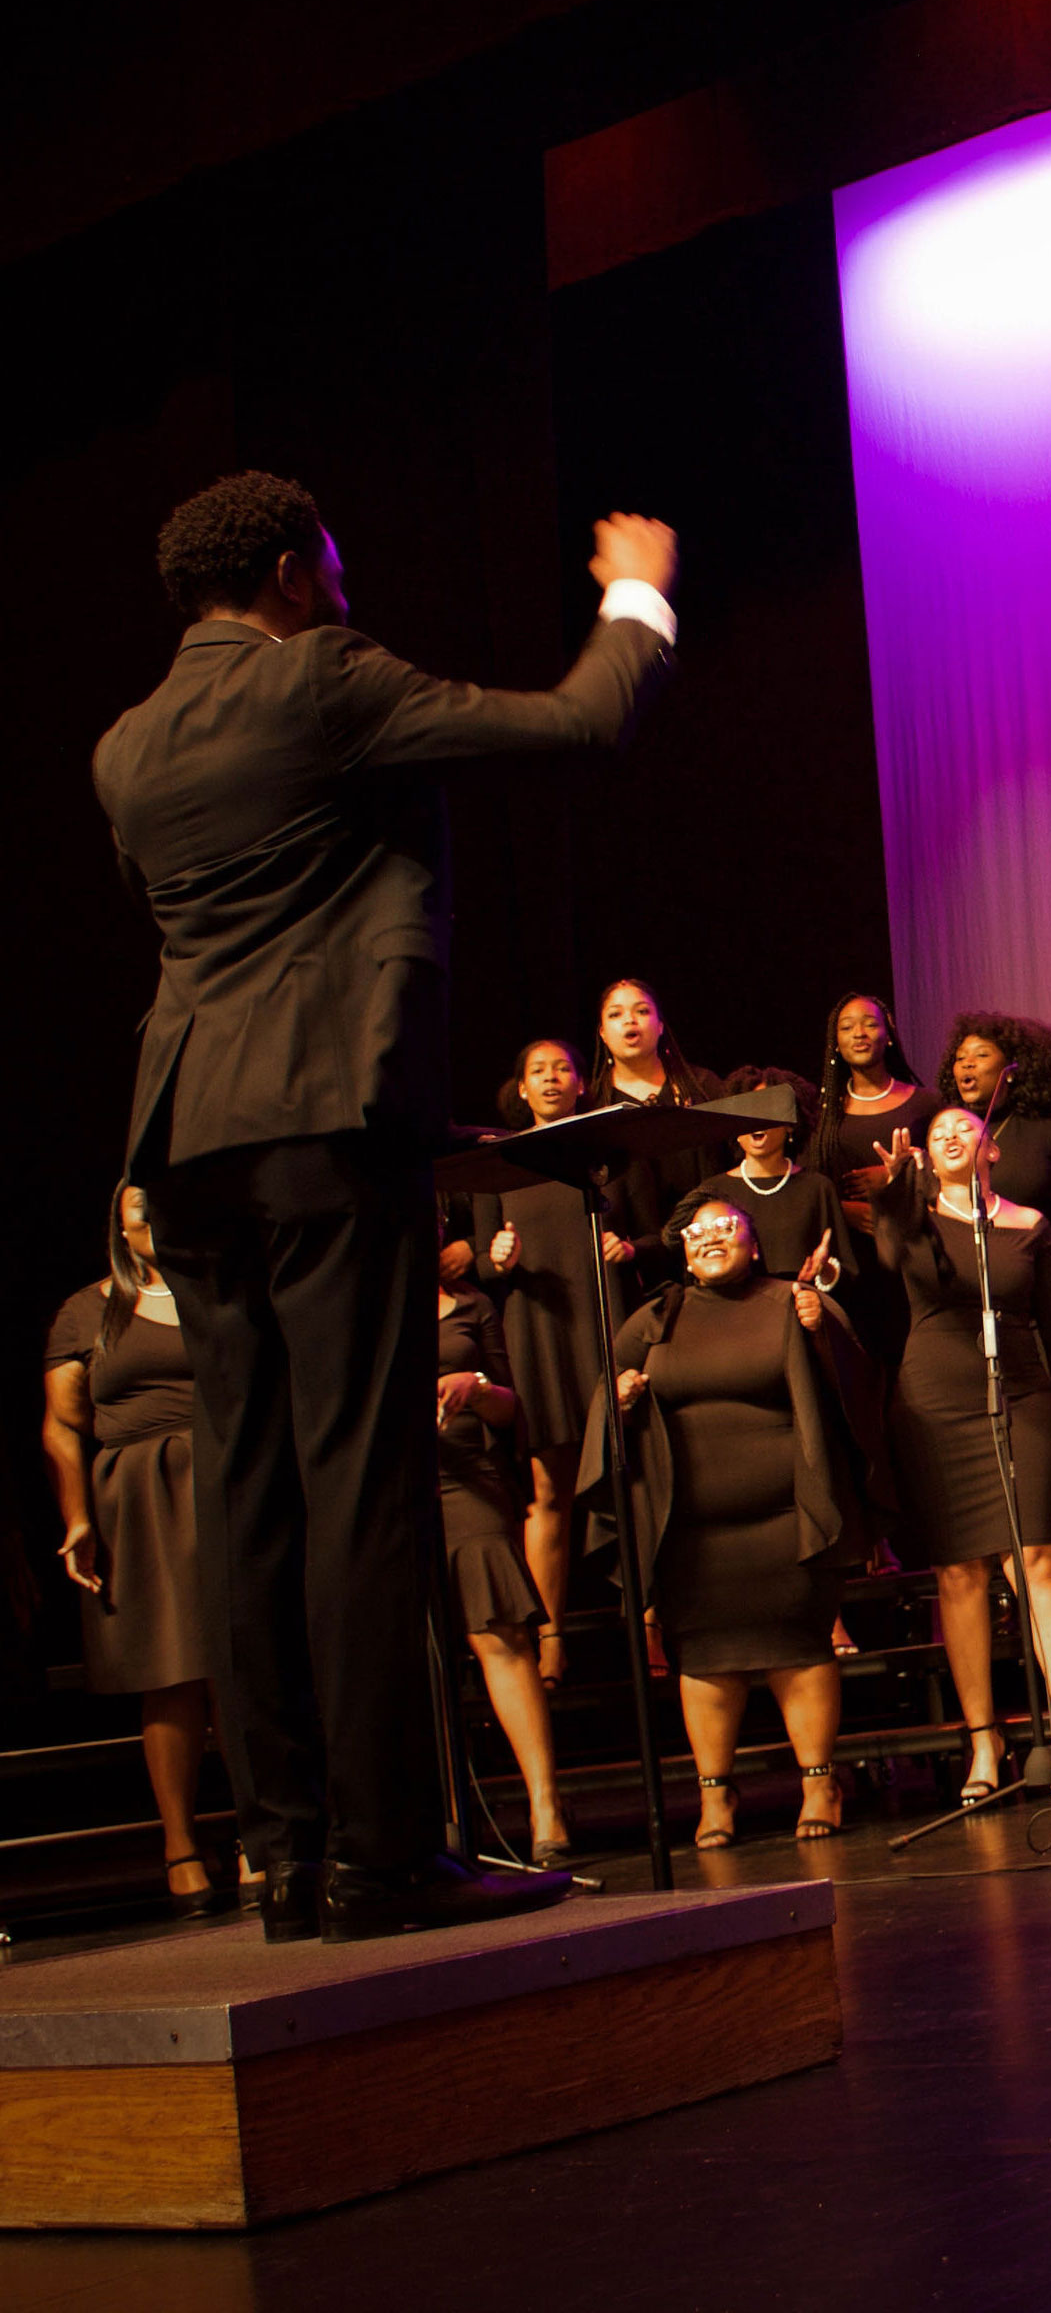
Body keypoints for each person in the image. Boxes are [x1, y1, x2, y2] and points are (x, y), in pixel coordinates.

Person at [95, 469, 670, 1941]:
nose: (344, 587)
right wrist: (634, 593)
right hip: (321, 1129)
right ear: (293, 570)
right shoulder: (322, 679)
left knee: (258, 1498)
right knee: (360, 1481)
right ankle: (386, 1859)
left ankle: (288, 1861)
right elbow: (575, 723)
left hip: (189, 1144)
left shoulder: (127, 747)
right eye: (333, 564)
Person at [587, 1200, 879, 1846]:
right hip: (692, 1534)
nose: (710, 1239)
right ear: (683, 1251)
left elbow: (858, 1389)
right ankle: (715, 1797)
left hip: (786, 1525)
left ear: (753, 1246)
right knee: (706, 1662)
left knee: (798, 1652)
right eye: (697, 1233)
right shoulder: (656, 1318)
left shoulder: (791, 1302)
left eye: (726, 1229)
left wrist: (820, 1332)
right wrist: (622, 1401)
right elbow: (604, 1394)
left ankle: (818, 1783)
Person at [875, 1109, 1051, 1802]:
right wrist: (895, 1190)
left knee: (1034, 1556)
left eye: (963, 1128)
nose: (950, 1137)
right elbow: (891, 1254)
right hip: (937, 1400)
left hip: (1024, 1395)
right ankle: (984, 1739)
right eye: (936, 1133)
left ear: (992, 1148)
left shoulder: (1028, 1224)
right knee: (958, 1573)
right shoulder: (912, 1216)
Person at [41, 1186, 226, 1909]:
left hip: (221, 1477)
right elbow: (62, 1424)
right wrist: (76, 1516)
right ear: (118, 1221)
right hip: (142, 1490)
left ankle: (265, 1836)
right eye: (138, 1205)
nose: (152, 1216)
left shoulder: (216, 1290)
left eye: (163, 1203)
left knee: (241, 1666)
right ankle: (180, 1843)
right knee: (172, 1666)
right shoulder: (88, 1308)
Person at [476, 1037, 639, 1689]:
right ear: (520, 1088)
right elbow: (484, 1262)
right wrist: (496, 1260)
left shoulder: (605, 1151)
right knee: (550, 1491)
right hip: (537, 1333)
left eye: (561, 1069)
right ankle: (550, 1637)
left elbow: (652, 1232)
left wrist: (629, 1246)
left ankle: (650, 1624)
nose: (550, 1079)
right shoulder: (502, 1160)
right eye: (537, 1071)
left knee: (632, 1480)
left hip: (601, 1324)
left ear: (580, 1083)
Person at [942, 1013, 1051, 1567]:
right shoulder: (952, 1139)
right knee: (997, 1440)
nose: (965, 1065)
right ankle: (1007, 1584)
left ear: (1014, 1072)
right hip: (984, 1314)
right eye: (960, 1057)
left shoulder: (1048, 1136)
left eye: (981, 1056)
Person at [433, 1276, 570, 1863]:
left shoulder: (469, 1305)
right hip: (383, 1484)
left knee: (503, 1635)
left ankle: (546, 1809)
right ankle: (433, 1824)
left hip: (466, 1471)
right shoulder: (346, 1297)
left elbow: (511, 1408)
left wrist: (477, 1387)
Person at [805, 992, 939, 1374]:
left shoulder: (926, 1103)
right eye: (846, 1027)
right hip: (851, 1266)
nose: (859, 1033)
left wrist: (896, 1179)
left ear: (889, 1034)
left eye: (869, 1023)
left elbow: (951, 1170)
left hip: (912, 1259)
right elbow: (805, 1182)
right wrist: (840, 1210)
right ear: (836, 1043)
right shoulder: (820, 1113)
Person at [587, 976, 727, 1274]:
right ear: (602, 1033)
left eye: (642, 1011)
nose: (630, 1021)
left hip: (713, 1245)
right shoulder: (591, 1105)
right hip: (631, 1263)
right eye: (616, 1014)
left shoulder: (702, 1087)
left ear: (661, 1025)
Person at [667, 1065, 846, 1283]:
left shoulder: (817, 1188)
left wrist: (823, 1271)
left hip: (801, 1309)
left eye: (766, 1109)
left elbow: (843, 1269)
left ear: (790, 1123)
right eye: (747, 1111)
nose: (755, 1121)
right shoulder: (715, 1192)